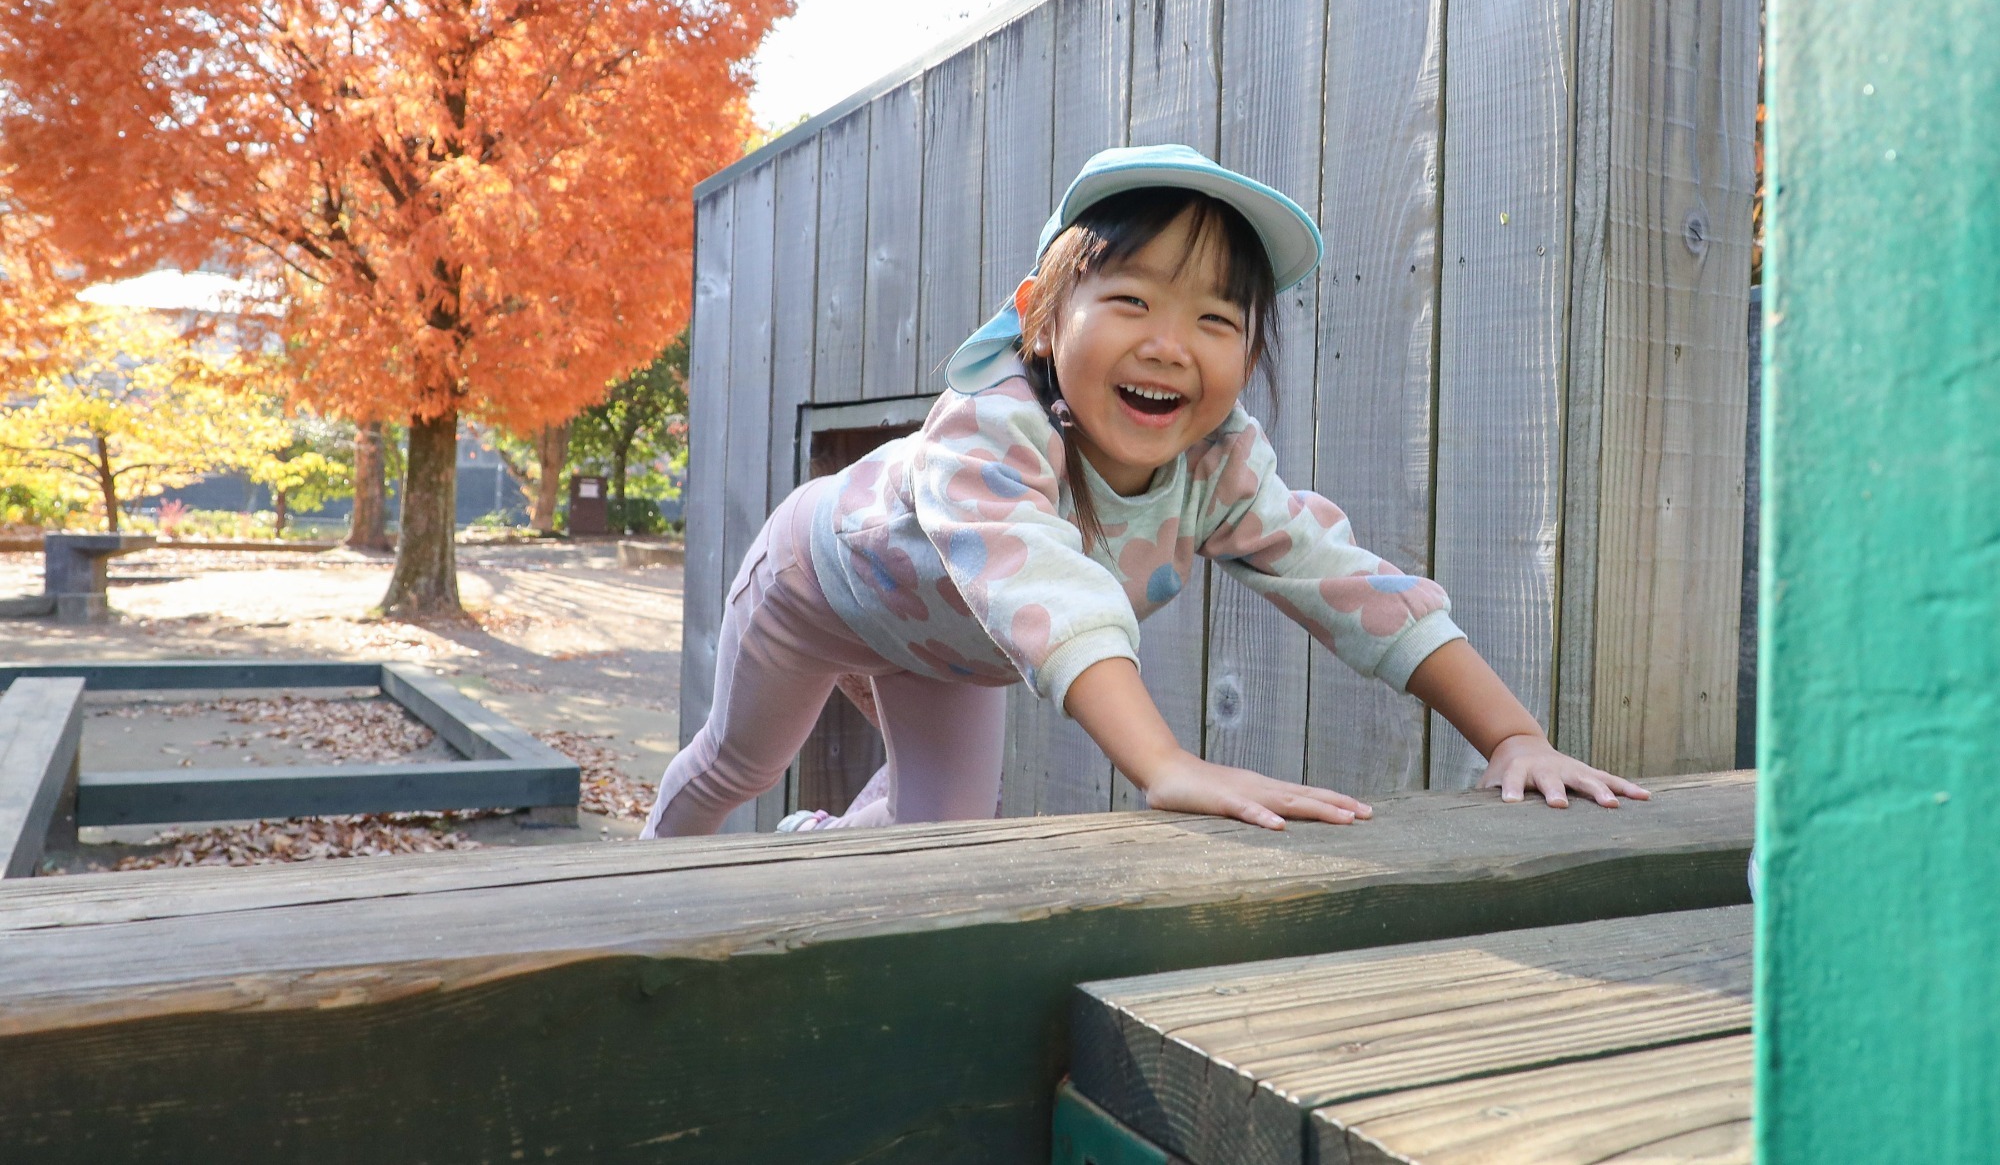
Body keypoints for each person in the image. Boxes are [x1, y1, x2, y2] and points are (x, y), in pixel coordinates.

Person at [642, 144, 1648, 838]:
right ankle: (634, 889)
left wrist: (1514, 736)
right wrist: (1162, 761)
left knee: (940, 832)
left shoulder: (1217, 466)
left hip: (949, 653)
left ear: (1248, 354)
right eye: (1129, 300)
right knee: (742, 761)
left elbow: (1343, 581)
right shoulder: (989, 434)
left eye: (1216, 318)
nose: (1169, 342)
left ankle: (819, 847)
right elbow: (1049, 587)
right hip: (816, 587)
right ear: (1039, 318)